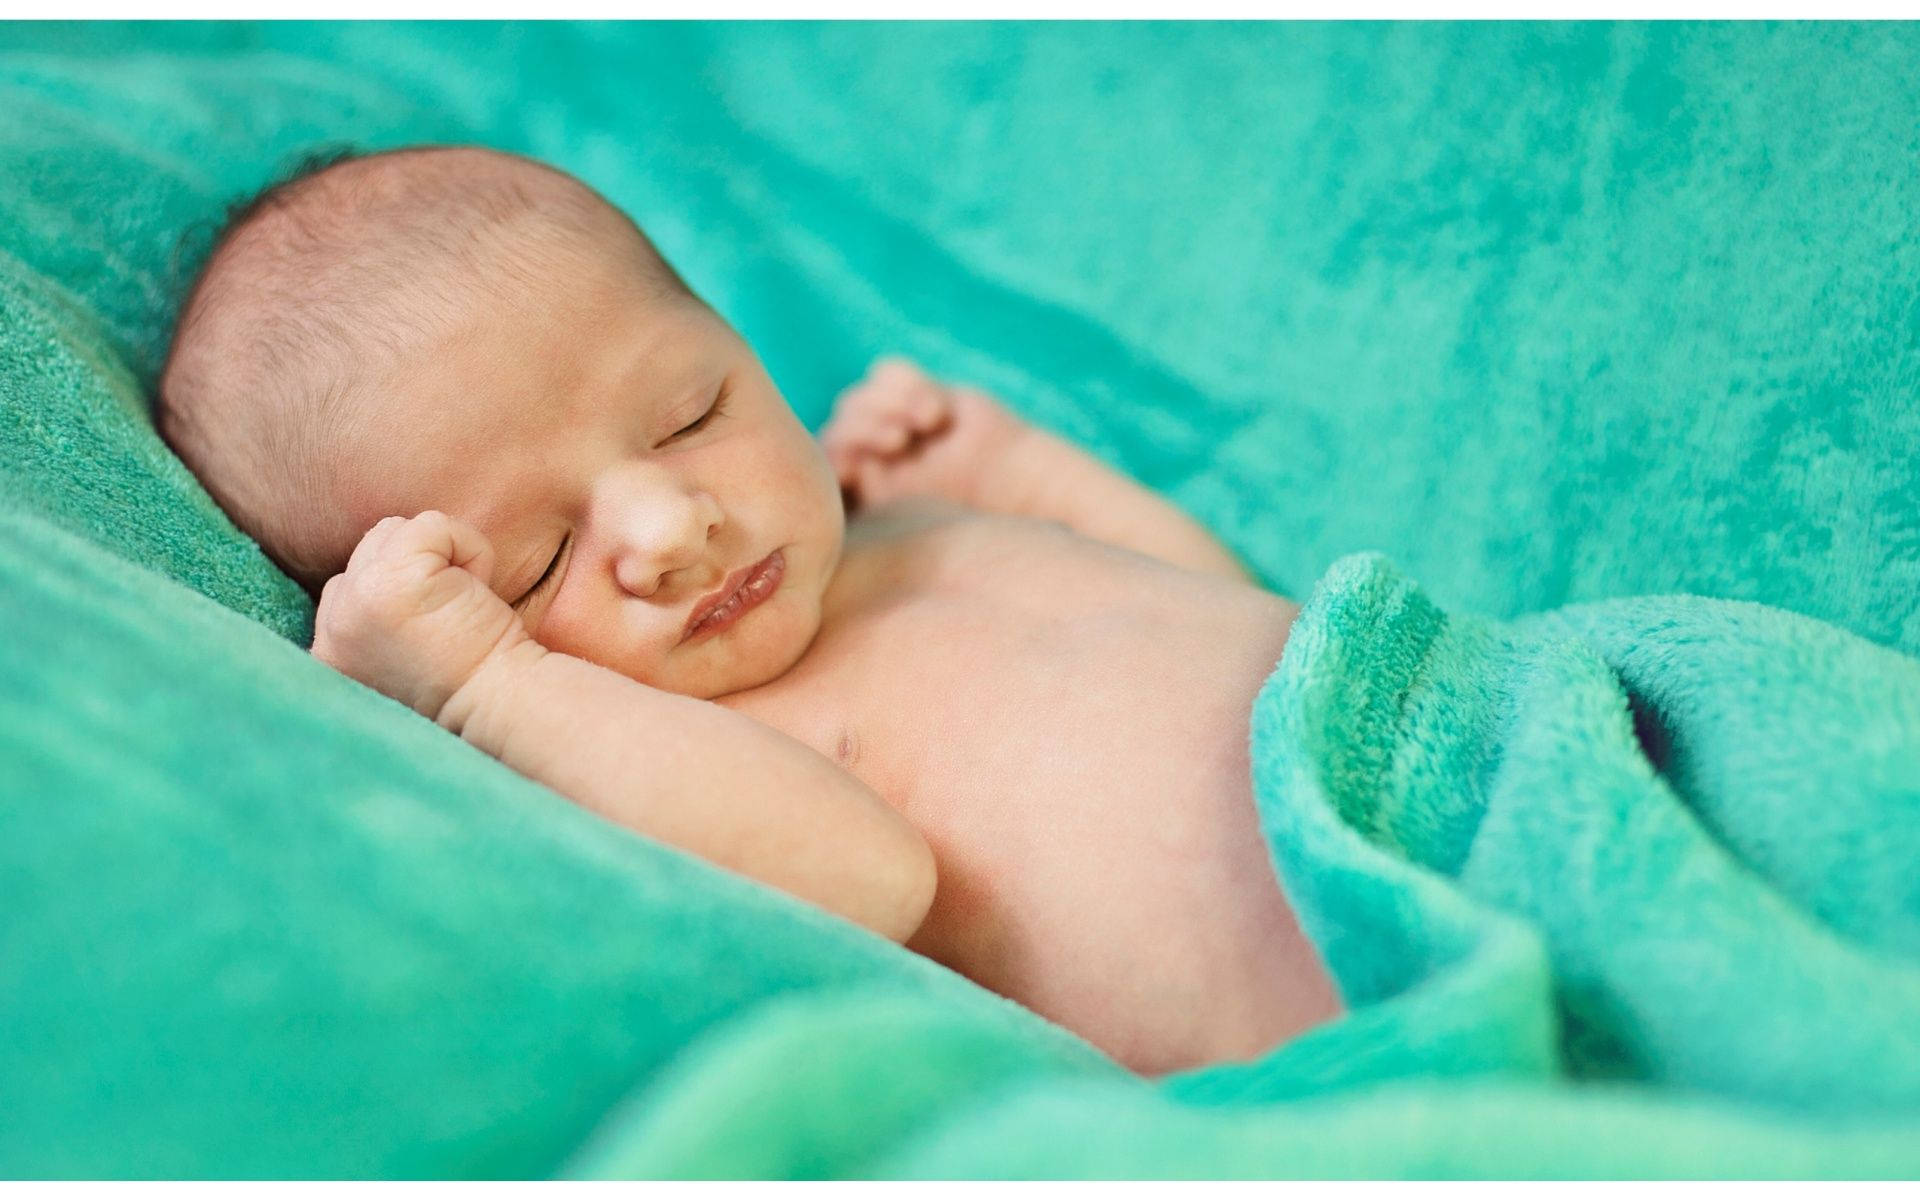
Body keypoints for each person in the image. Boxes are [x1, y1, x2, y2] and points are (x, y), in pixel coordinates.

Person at [158, 144, 1341, 1076]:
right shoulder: (676, 757)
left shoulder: (896, 527)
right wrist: (487, 687)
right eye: (537, 564)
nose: (674, 530)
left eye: (690, 413)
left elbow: (1224, 609)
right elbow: (872, 883)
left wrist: (1025, 478)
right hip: (1353, 968)